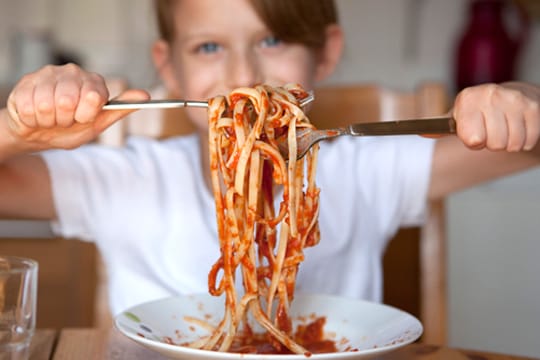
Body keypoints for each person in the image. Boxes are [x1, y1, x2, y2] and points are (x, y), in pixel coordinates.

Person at [0, 0, 539, 316]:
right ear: (169, 67)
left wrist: (515, 104)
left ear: (325, 54)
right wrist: (16, 130)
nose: (242, 75)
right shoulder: (126, 178)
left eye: (273, 38)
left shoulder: (366, 170)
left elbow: (526, 148)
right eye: (208, 47)